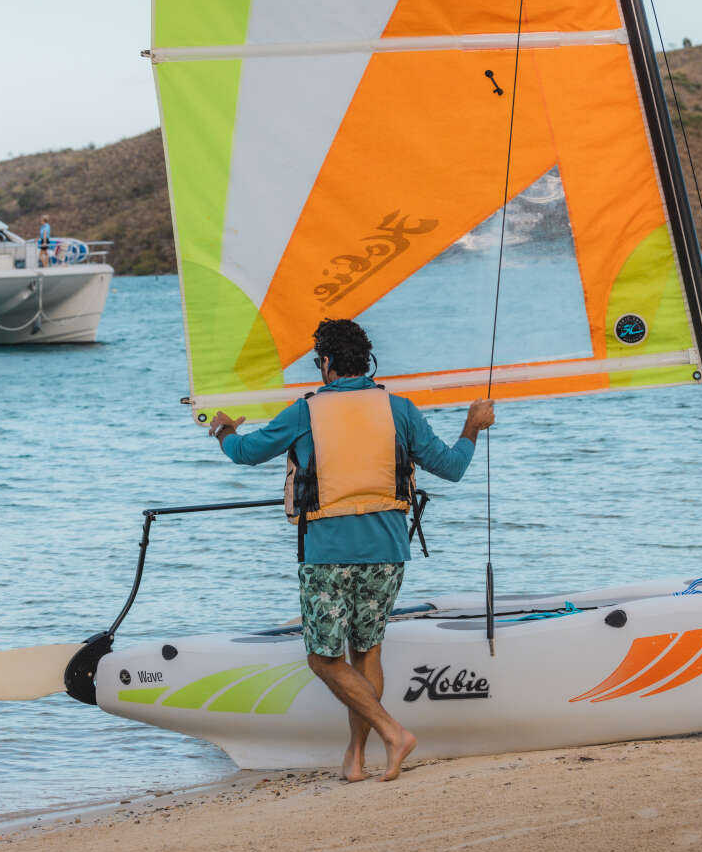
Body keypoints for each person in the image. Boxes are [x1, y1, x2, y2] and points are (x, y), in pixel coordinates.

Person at [208, 319, 494, 782]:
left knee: (322, 658)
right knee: (366, 652)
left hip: (327, 552)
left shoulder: (305, 412)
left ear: (326, 363)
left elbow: (244, 452)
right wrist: (471, 427)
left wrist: (222, 429)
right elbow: (453, 467)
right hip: (387, 551)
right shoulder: (399, 410)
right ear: (367, 361)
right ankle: (356, 759)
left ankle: (393, 733)